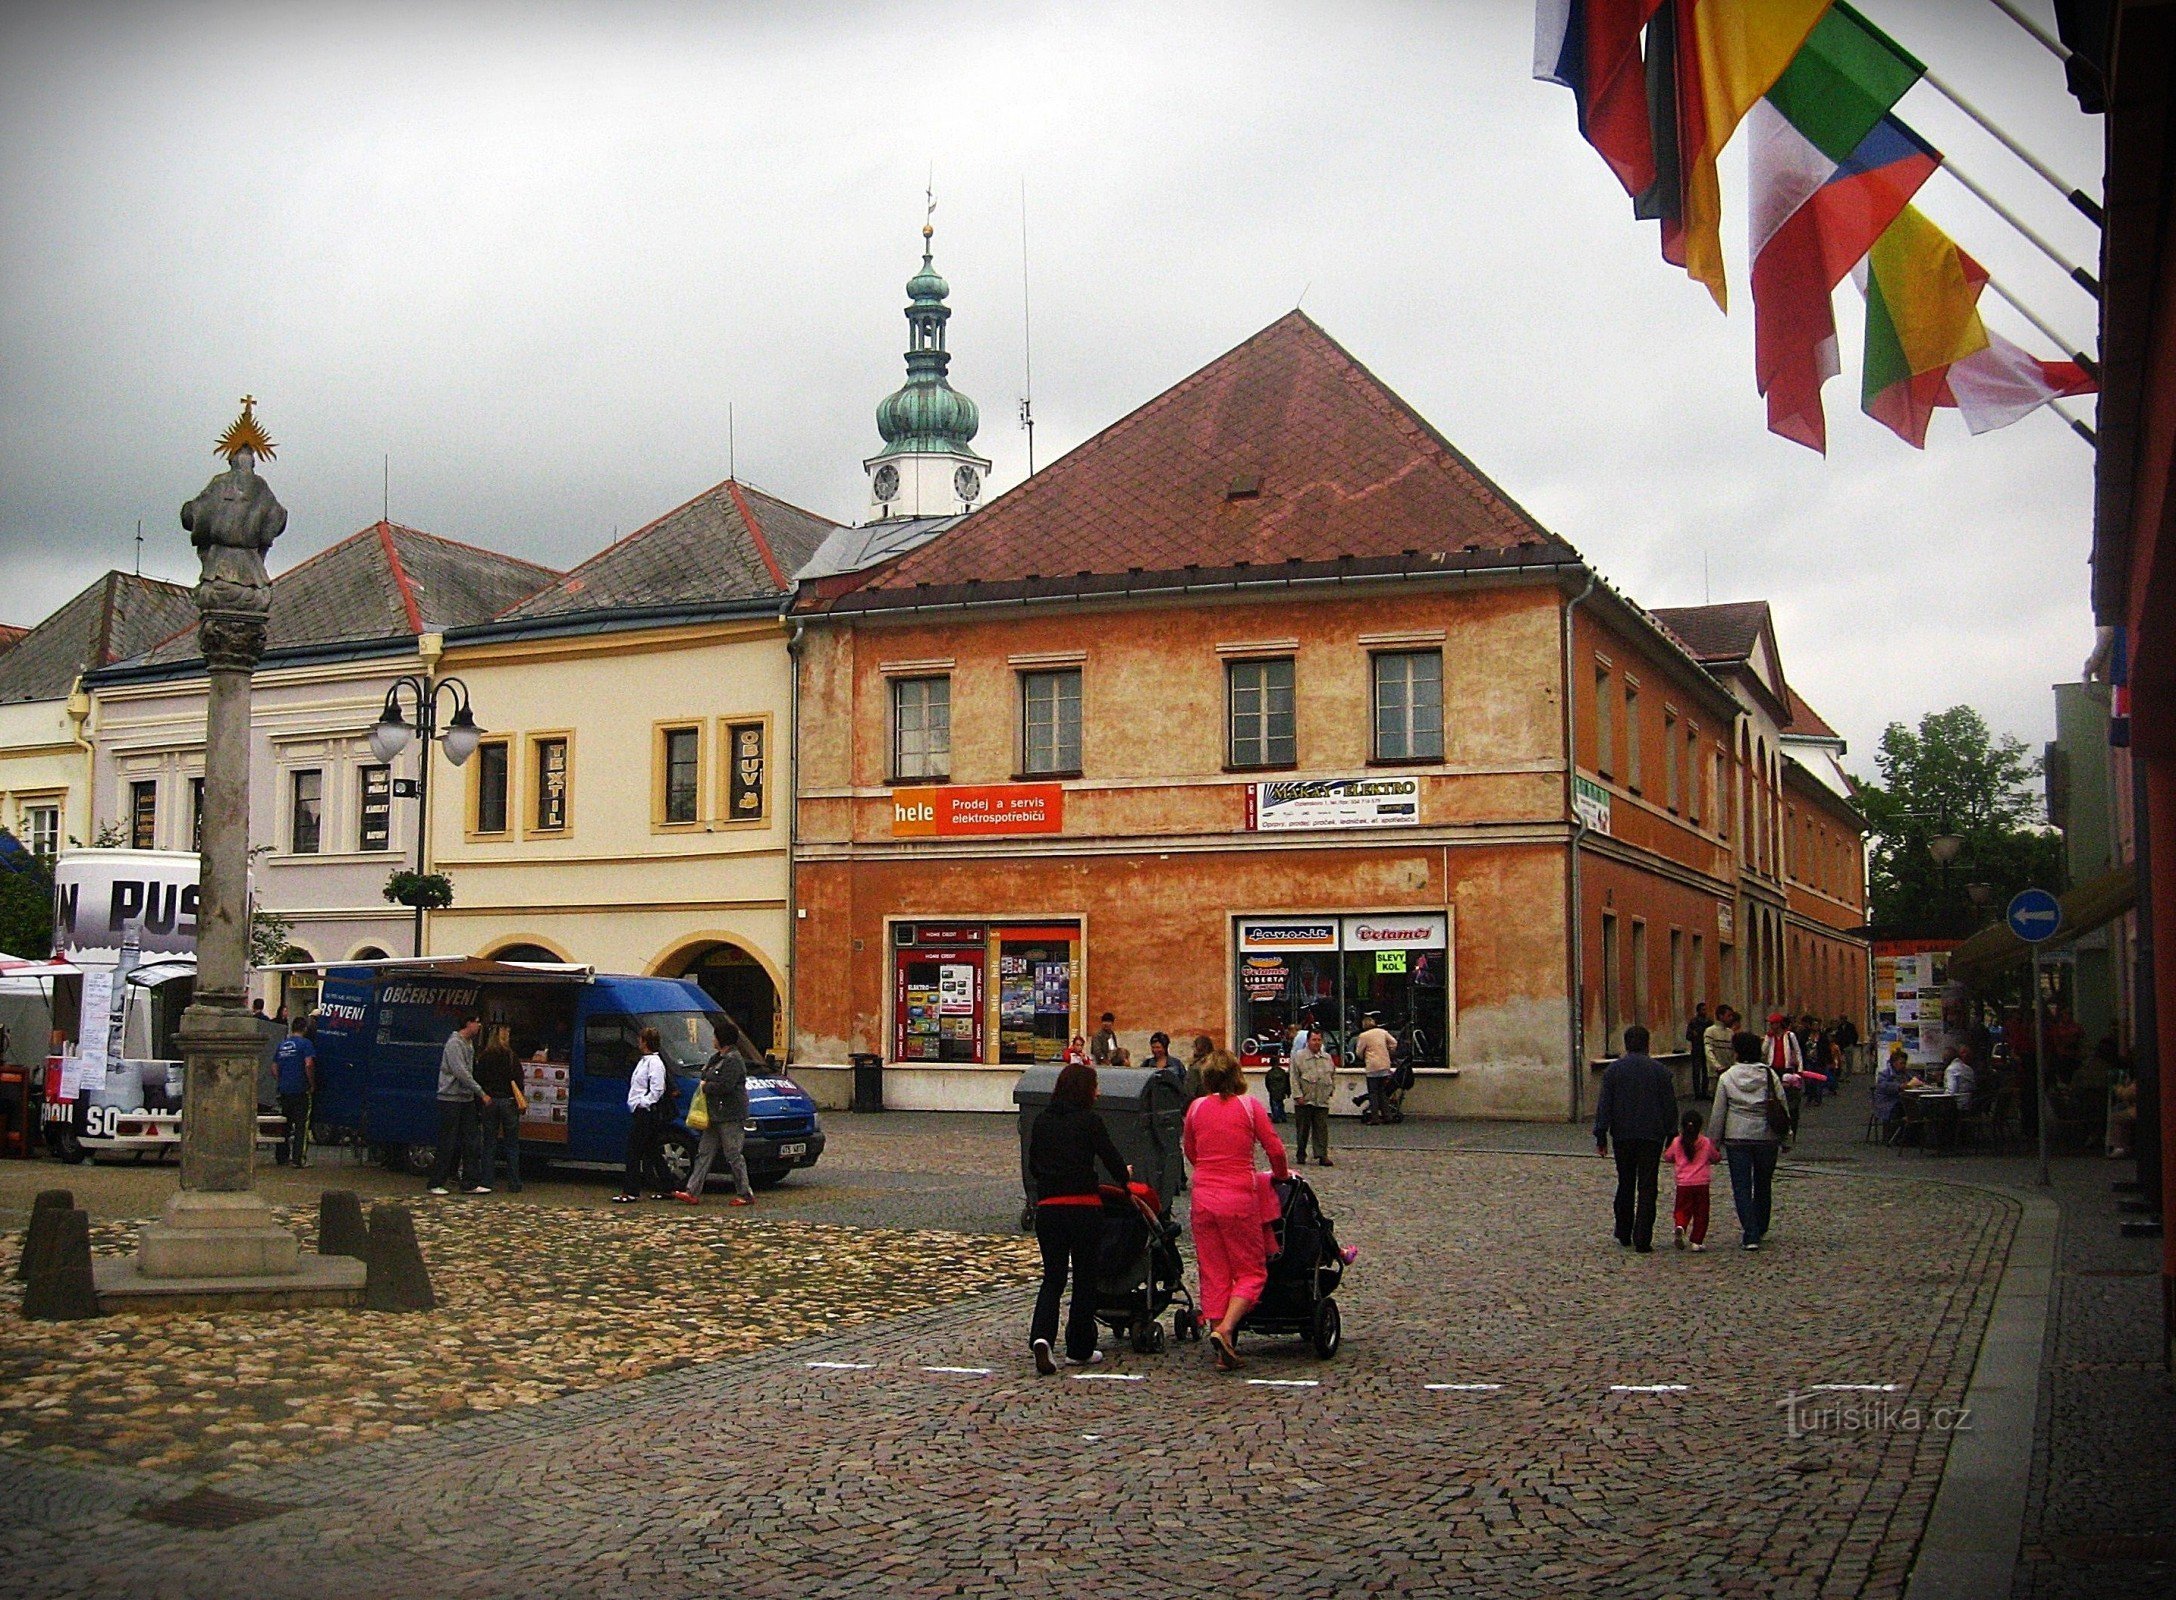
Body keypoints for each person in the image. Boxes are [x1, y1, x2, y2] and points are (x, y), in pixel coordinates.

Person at [1182, 1049, 1291, 1370]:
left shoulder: (1196, 1108)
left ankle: (1222, 1350)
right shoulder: (1249, 1107)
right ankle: (1226, 1328)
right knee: (1251, 1271)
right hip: (1239, 1197)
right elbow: (1275, 1149)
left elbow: (1191, 1151)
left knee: (1214, 1271)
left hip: (1203, 1199)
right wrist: (1281, 1177)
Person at [1025, 1060, 1131, 1373]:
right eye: (1095, 1087)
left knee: (1053, 1278)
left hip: (1050, 1209)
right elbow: (1111, 1158)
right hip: (1084, 1207)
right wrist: (1125, 1180)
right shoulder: (1090, 1121)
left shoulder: (1042, 1121)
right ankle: (1080, 1348)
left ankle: (1042, 1337)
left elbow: (1033, 1166)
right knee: (1085, 1279)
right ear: (1085, 1090)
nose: (1098, 1093)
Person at [1592, 1024, 1677, 1253]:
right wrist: (1672, 1133)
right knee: (1648, 1185)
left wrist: (1601, 1134)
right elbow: (1669, 1105)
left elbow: (1605, 1105)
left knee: (1626, 1182)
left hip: (1623, 1134)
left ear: (1626, 1044)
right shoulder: (1660, 1071)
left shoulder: (1613, 1071)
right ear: (1647, 1044)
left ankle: (1623, 1230)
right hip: (1651, 1134)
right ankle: (1643, 1236)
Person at [1711, 1031, 1788, 1250]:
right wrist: (1785, 1137)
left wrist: (1713, 1143)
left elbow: (1719, 1111)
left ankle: (1750, 1232)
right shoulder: (1768, 1074)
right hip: (1766, 1135)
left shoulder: (1727, 1077)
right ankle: (1761, 1224)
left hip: (1737, 1135)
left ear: (1736, 1051)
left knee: (1741, 1186)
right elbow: (1781, 1104)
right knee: (1763, 1183)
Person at [679, 1017, 755, 1206]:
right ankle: (692, 1190)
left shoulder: (733, 1060)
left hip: (730, 1115)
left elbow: (726, 1085)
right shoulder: (717, 1058)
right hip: (713, 1114)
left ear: (722, 1039)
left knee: (733, 1154)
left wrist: (706, 1086)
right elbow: (706, 1073)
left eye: (715, 1037)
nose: (712, 1040)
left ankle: (745, 1193)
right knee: (704, 1152)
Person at [426, 1015, 487, 1196]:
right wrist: (481, 1092)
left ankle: (470, 1182)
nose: (479, 1026)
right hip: (451, 1098)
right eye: (477, 1022)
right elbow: (461, 1072)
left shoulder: (469, 1044)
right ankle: (436, 1182)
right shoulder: (454, 1043)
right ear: (468, 1023)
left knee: (472, 1141)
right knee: (448, 1141)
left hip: (465, 1098)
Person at [616, 1027, 675, 1202]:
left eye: (640, 1039)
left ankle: (631, 1190)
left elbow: (657, 1088)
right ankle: (667, 1186)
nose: (638, 1042)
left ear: (645, 1042)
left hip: (647, 1113)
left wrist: (644, 1103)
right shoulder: (644, 1061)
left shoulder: (654, 1063)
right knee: (651, 1150)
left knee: (633, 1150)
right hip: (640, 1110)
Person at [473, 1023, 524, 1194]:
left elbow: (478, 1078)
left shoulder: (485, 1056)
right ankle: (514, 1183)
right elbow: (519, 1080)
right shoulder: (511, 1056)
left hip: (490, 1101)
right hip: (508, 1101)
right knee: (512, 1144)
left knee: (489, 1143)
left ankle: (487, 1181)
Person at [1664, 1109, 1716, 1251]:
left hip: (1683, 1184)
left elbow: (1667, 1156)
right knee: (1701, 1213)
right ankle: (1697, 1241)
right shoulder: (1705, 1142)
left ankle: (1680, 1225)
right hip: (1701, 1184)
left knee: (1682, 1209)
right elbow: (1716, 1157)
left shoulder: (1676, 1142)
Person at [1288, 1025, 1336, 1167]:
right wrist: (1297, 1095)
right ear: (1308, 1041)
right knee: (1303, 1129)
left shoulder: (1327, 1058)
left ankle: (1322, 1155)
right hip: (1304, 1099)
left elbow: (1333, 1075)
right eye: (1314, 1039)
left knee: (1321, 1128)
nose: (1317, 1042)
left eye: (1319, 1040)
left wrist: (1331, 1090)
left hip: (1321, 1099)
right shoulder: (1299, 1056)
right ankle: (1301, 1153)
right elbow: (1294, 1077)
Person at [273, 1015, 315, 1169]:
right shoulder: (306, 1044)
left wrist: (281, 1080)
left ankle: (281, 1156)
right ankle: (299, 1158)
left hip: (285, 1089)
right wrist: (311, 1083)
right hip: (300, 1089)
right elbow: (309, 1064)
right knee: (301, 1126)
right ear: (304, 1029)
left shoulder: (283, 1045)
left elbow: (274, 1067)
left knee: (285, 1124)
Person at [1354, 1012, 1398, 1124]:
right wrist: (1389, 1051)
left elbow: (1358, 1052)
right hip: (1384, 1065)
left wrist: (1364, 1056)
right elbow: (1394, 1042)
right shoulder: (1382, 1032)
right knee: (1383, 1092)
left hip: (1372, 1067)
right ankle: (1387, 1116)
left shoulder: (1363, 1036)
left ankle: (1375, 1118)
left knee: (1373, 1093)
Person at [1703, 1005, 1738, 1108]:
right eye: (1729, 1015)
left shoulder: (1730, 1033)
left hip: (1729, 1072)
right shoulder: (1710, 1031)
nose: (1731, 1018)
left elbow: (1733, 1053)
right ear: (1720, 1016)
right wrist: (1717, 1066)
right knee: (1717, 1102)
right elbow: (1708, 1050)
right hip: (1715, 1073)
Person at [1685, 1002, 1713, 1098]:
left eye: (1705, 1009)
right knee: (1696, 1072)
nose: (1705, 1011)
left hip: (1705, 1048)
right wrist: (1694, 1034)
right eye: (1703, 1009)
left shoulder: (1709, 1022)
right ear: (1698, 1011)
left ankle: (1704, 1092)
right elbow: (1688, 1036)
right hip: (1697, 1049)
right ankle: (1697, 1093)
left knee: (1706, 1072)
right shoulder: (1693, 1022)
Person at [1944, 1040, 1979, 1109]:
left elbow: (1951, 1091)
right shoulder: (1968, 1068)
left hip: (1957, 1105)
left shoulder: (1950, 1069)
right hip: (1970, 1104)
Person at [1262, 1050, 1290, 1124]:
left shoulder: (1270, 1073)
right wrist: (1287, 1091)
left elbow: (1267, 1083)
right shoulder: (1282, 1072)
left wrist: (1270, 1090)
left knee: (1274, 1105)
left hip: (1273, 1092)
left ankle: (1276, 1117)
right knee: (1281, 1104)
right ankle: (1283, 1116)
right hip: (1281, 1092)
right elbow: (1287, 1082)